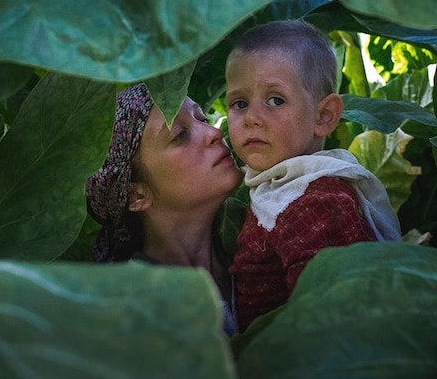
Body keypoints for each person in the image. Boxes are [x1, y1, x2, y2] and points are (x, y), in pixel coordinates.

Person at [225, 20, 402, 329]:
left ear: (324, 116)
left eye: (276, 100)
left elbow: (331, 321)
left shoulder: (316, 201)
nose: (252, 118)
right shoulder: (281, 185)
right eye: (239, 103)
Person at [86, 83, 244, 336]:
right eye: (180, 135)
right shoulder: (131, 317)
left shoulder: (266, 228)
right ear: (136, 194)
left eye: (202, 118)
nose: (214, 132)